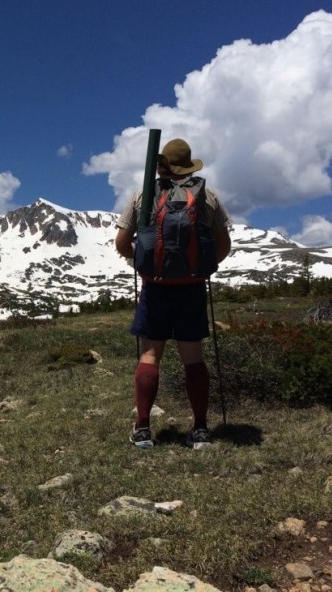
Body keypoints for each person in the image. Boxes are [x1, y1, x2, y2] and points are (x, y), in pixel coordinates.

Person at [114, 138, 232, 449]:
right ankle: (202, 429)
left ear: (163, 166)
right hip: (192, 287)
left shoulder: (144, 196)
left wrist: (142, 264)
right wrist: (201, 267)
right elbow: (224, 245)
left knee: (151, 354)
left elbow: (122, 243)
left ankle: (142, 429)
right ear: (189, 165)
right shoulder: (208, 197)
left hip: (156, 287)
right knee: (192, 357)